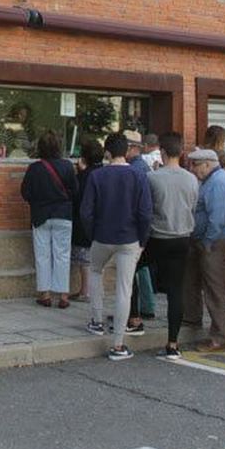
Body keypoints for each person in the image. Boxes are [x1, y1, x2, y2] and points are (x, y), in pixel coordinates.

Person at [81, 131, 154, 361]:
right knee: (124, 289)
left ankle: (96, 321)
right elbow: (145, 213)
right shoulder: (138, 176)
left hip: (102, 236)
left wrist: (92, 234)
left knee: (95, 271)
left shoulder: (97, 176)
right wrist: (142, 240)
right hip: (130, 238)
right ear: (127, 151)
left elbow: (86, 212)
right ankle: (118, 344)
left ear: (107, 152)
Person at [144, 133, 199, 357]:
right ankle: (173, 343)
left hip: (158, 236)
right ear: (181, 152)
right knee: (176, 289)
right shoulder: (191, 178)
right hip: (183, 236)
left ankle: (134, 318)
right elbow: (193, 206)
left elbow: (148, 208)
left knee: (133, 271)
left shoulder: (152, 177)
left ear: (163, 152)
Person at [184, 147, 225, 352]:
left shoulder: (217, 182)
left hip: (214, 241)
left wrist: (207, 242)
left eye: (195, 165)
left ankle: (219, 337)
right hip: (207, 239)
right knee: (194, 280)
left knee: (214, 288)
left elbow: (216, 218)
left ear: (207, 164)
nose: (192, 169)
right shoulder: (213, 180)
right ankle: (192, 319)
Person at [21, 131, 75, 309]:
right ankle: (63, 296)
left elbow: (25, 193)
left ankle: (45, 294)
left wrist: (37, 202)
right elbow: (75, 191)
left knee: (42, 255)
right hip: (63, 215)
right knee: (63, 255)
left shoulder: (34, 168)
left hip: (40, 216)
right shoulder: (67, 166)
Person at [124, 138, 158, 327]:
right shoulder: (142, 166)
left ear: (132, 148)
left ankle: (139, 309)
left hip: (137, 225)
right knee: (141, 268)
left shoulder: (135, 169)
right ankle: (146, 306)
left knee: (137, 270)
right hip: (142, 223)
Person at [69, 138, 103, 302]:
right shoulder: (103, 172)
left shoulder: (85, 176)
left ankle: (85, 291)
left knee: (84, 260)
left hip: (84, 224)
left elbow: (77, 198)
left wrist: (80, 173)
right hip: (102, 223)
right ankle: (91, 290)